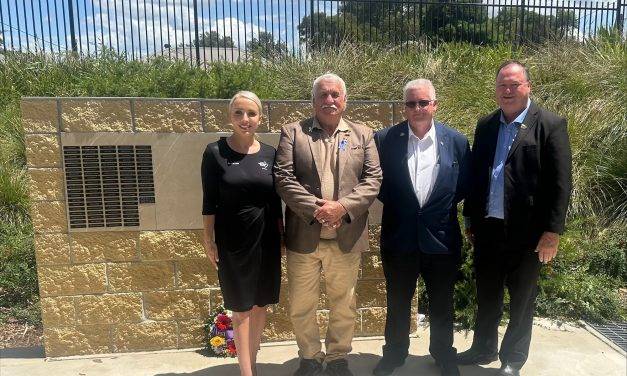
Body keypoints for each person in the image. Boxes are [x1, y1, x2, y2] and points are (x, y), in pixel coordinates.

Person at [458, 60, 572, 376]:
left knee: (522, 301)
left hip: (528, 235)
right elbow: (477, 176)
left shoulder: (550, 124)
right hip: (488, 229)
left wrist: (552, 232)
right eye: (502, 85)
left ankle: (513, 359)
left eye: (514, 84)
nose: (507, 91)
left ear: (528, 87)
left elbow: (561, 183)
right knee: (487, 296)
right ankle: (483, 348)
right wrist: (470, 220)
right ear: (496, 90)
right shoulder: (486, 124)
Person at [274, 73, 382, 376]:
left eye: (335, 94)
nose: (329, 100)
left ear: (344, 100)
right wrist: (316, 208)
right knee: (301, 304)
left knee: (344, 304)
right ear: (313, 100)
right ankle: (309, 357)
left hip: (345, 237)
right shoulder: (293, 132)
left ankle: (337, 359)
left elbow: (373, 179)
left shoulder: (363, 134)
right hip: (304, 237)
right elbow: (283, 177)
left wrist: (342, 207)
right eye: (323, 95)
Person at [373, 79, 471, 376]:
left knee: (442, 302)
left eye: (423, 102)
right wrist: (405, 207)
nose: (417, 108)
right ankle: (394, 354)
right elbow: (377, 183)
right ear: (404, 107)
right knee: (398, 301)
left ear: (434, 105)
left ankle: (444, 354)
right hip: (399, 235)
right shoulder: (384, 139)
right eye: (411, 103)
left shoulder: (456, 141)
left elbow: (464, 185)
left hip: (441, 238)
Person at [201, 91, 282, 376]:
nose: (245, 119)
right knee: (242, 309)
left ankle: (253, 364)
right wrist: (208, 240)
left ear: (260, 117)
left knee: (261, 306)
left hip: (267, 242)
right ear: (230, 116)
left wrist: (281, 239)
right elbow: (209, 201)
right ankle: (246, 373)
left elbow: (276, 202)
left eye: (251, 113)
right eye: (238, 113)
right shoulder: (214, 152)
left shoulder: (271, 153)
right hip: (233, 243)